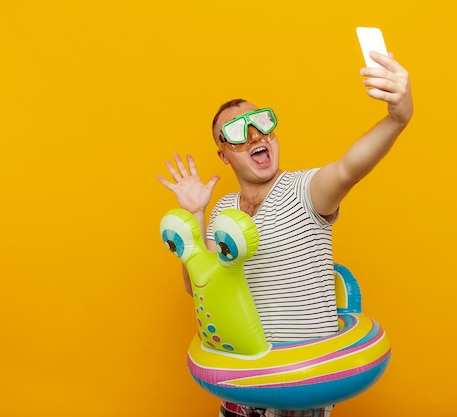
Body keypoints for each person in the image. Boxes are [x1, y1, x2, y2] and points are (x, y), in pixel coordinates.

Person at [157, 51, 413, 417]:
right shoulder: (224, 210)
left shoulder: (305, 190)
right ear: (224, 155)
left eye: (261, 123)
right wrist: (196, 214)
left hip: (300, 390)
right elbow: (198, 285)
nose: (254, 135)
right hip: (243, 390)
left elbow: (348, 168)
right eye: (236, 132)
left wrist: (397, 118)